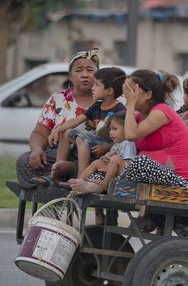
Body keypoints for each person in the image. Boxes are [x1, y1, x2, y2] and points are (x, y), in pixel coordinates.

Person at [15, 48, 100, 187]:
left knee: (100, 165)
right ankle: (60, 175)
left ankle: (68, 173)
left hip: (92, 157)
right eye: (78, 70)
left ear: (98, 75)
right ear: (70, 76)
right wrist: (37, 149)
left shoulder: (109, 99)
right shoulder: (58, 99)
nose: (85, 75)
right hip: (58, 155)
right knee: (24, 161)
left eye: (90, 70)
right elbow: (39, 133)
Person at [47, 66, 126, 180]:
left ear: (109, 91)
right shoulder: (97, 106)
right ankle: (55, 173)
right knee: (66, 133)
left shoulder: (120, 110)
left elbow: (124, 138)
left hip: (106, 147)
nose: (92, 88)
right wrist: (59, 129)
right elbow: (77, 120)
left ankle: (80, 179)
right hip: (93, 143)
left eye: (96, 85)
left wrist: (107, 147)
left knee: (82, 138)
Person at [69, 110, 136, 194]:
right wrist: (105, 158)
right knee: (97, 162)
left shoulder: (128, 143)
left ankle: (105, 184)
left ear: (127, 129)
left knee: (115, 159)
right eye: (110, 130)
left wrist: (112, 163)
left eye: (115, 129)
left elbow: (128, 163)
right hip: (112, 169)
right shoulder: (116, 144)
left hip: (123, 172)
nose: (111, 133)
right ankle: (79, 180)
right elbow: (109, 158)